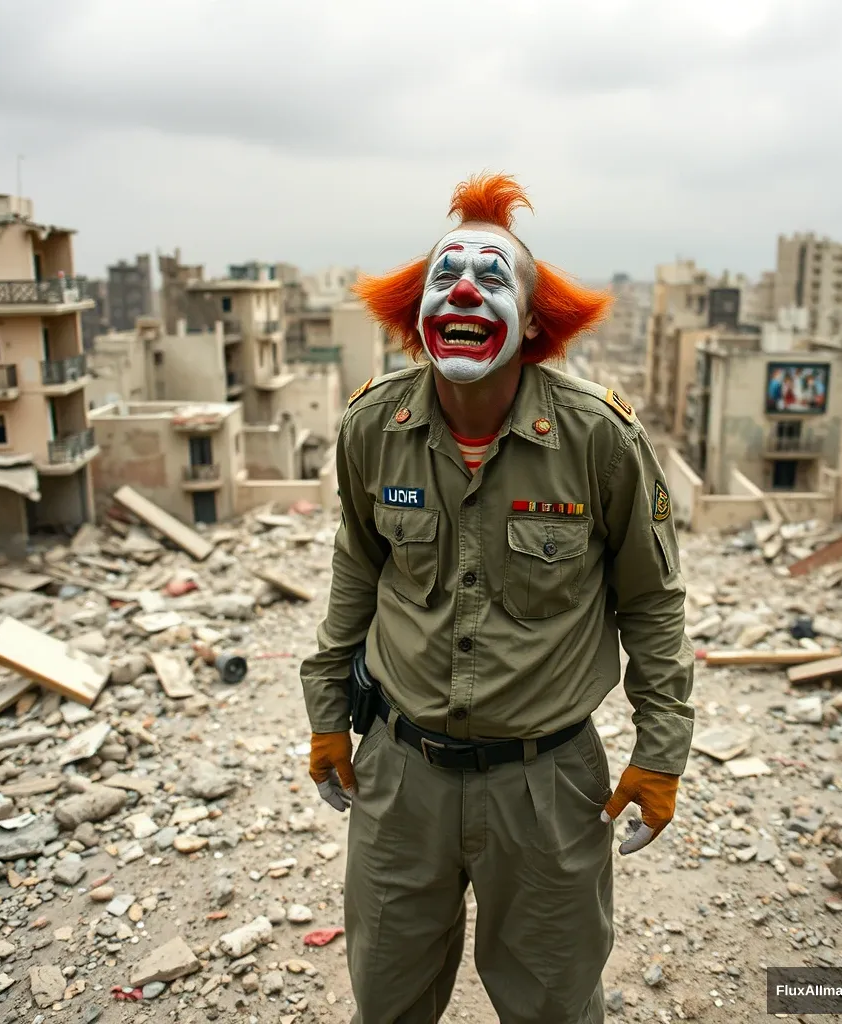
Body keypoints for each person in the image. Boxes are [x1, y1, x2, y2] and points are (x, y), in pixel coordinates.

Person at [301, 173, 695, 1024]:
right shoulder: (373, 428)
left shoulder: (599, 438)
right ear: (416, 310)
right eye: (446, 277)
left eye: (492, 278)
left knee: (554, 1003)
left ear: (532, 318)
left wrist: (661, 752)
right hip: (401, 780)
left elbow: (653, 603)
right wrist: (327, 712)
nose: (466, 291)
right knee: (389, 997)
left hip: (546, 784)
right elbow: (355, 572)